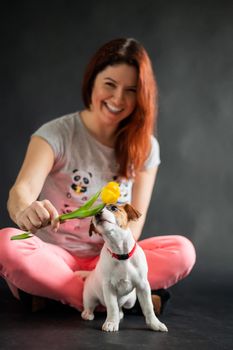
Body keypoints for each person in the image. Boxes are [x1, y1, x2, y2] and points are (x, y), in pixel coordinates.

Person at [0, 38, 196, 314]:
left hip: (110, 259)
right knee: (6, 245)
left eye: (130, 90)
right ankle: (118, 299)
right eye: (110, 84)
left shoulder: (146, 147)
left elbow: (133, 225)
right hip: (55, 257)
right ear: (92, 81)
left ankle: (63, 295)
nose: (118, 99)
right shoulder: (55, 134)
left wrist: (110, 263)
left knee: (182, 251)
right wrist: (25, 212)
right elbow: (20, 192)